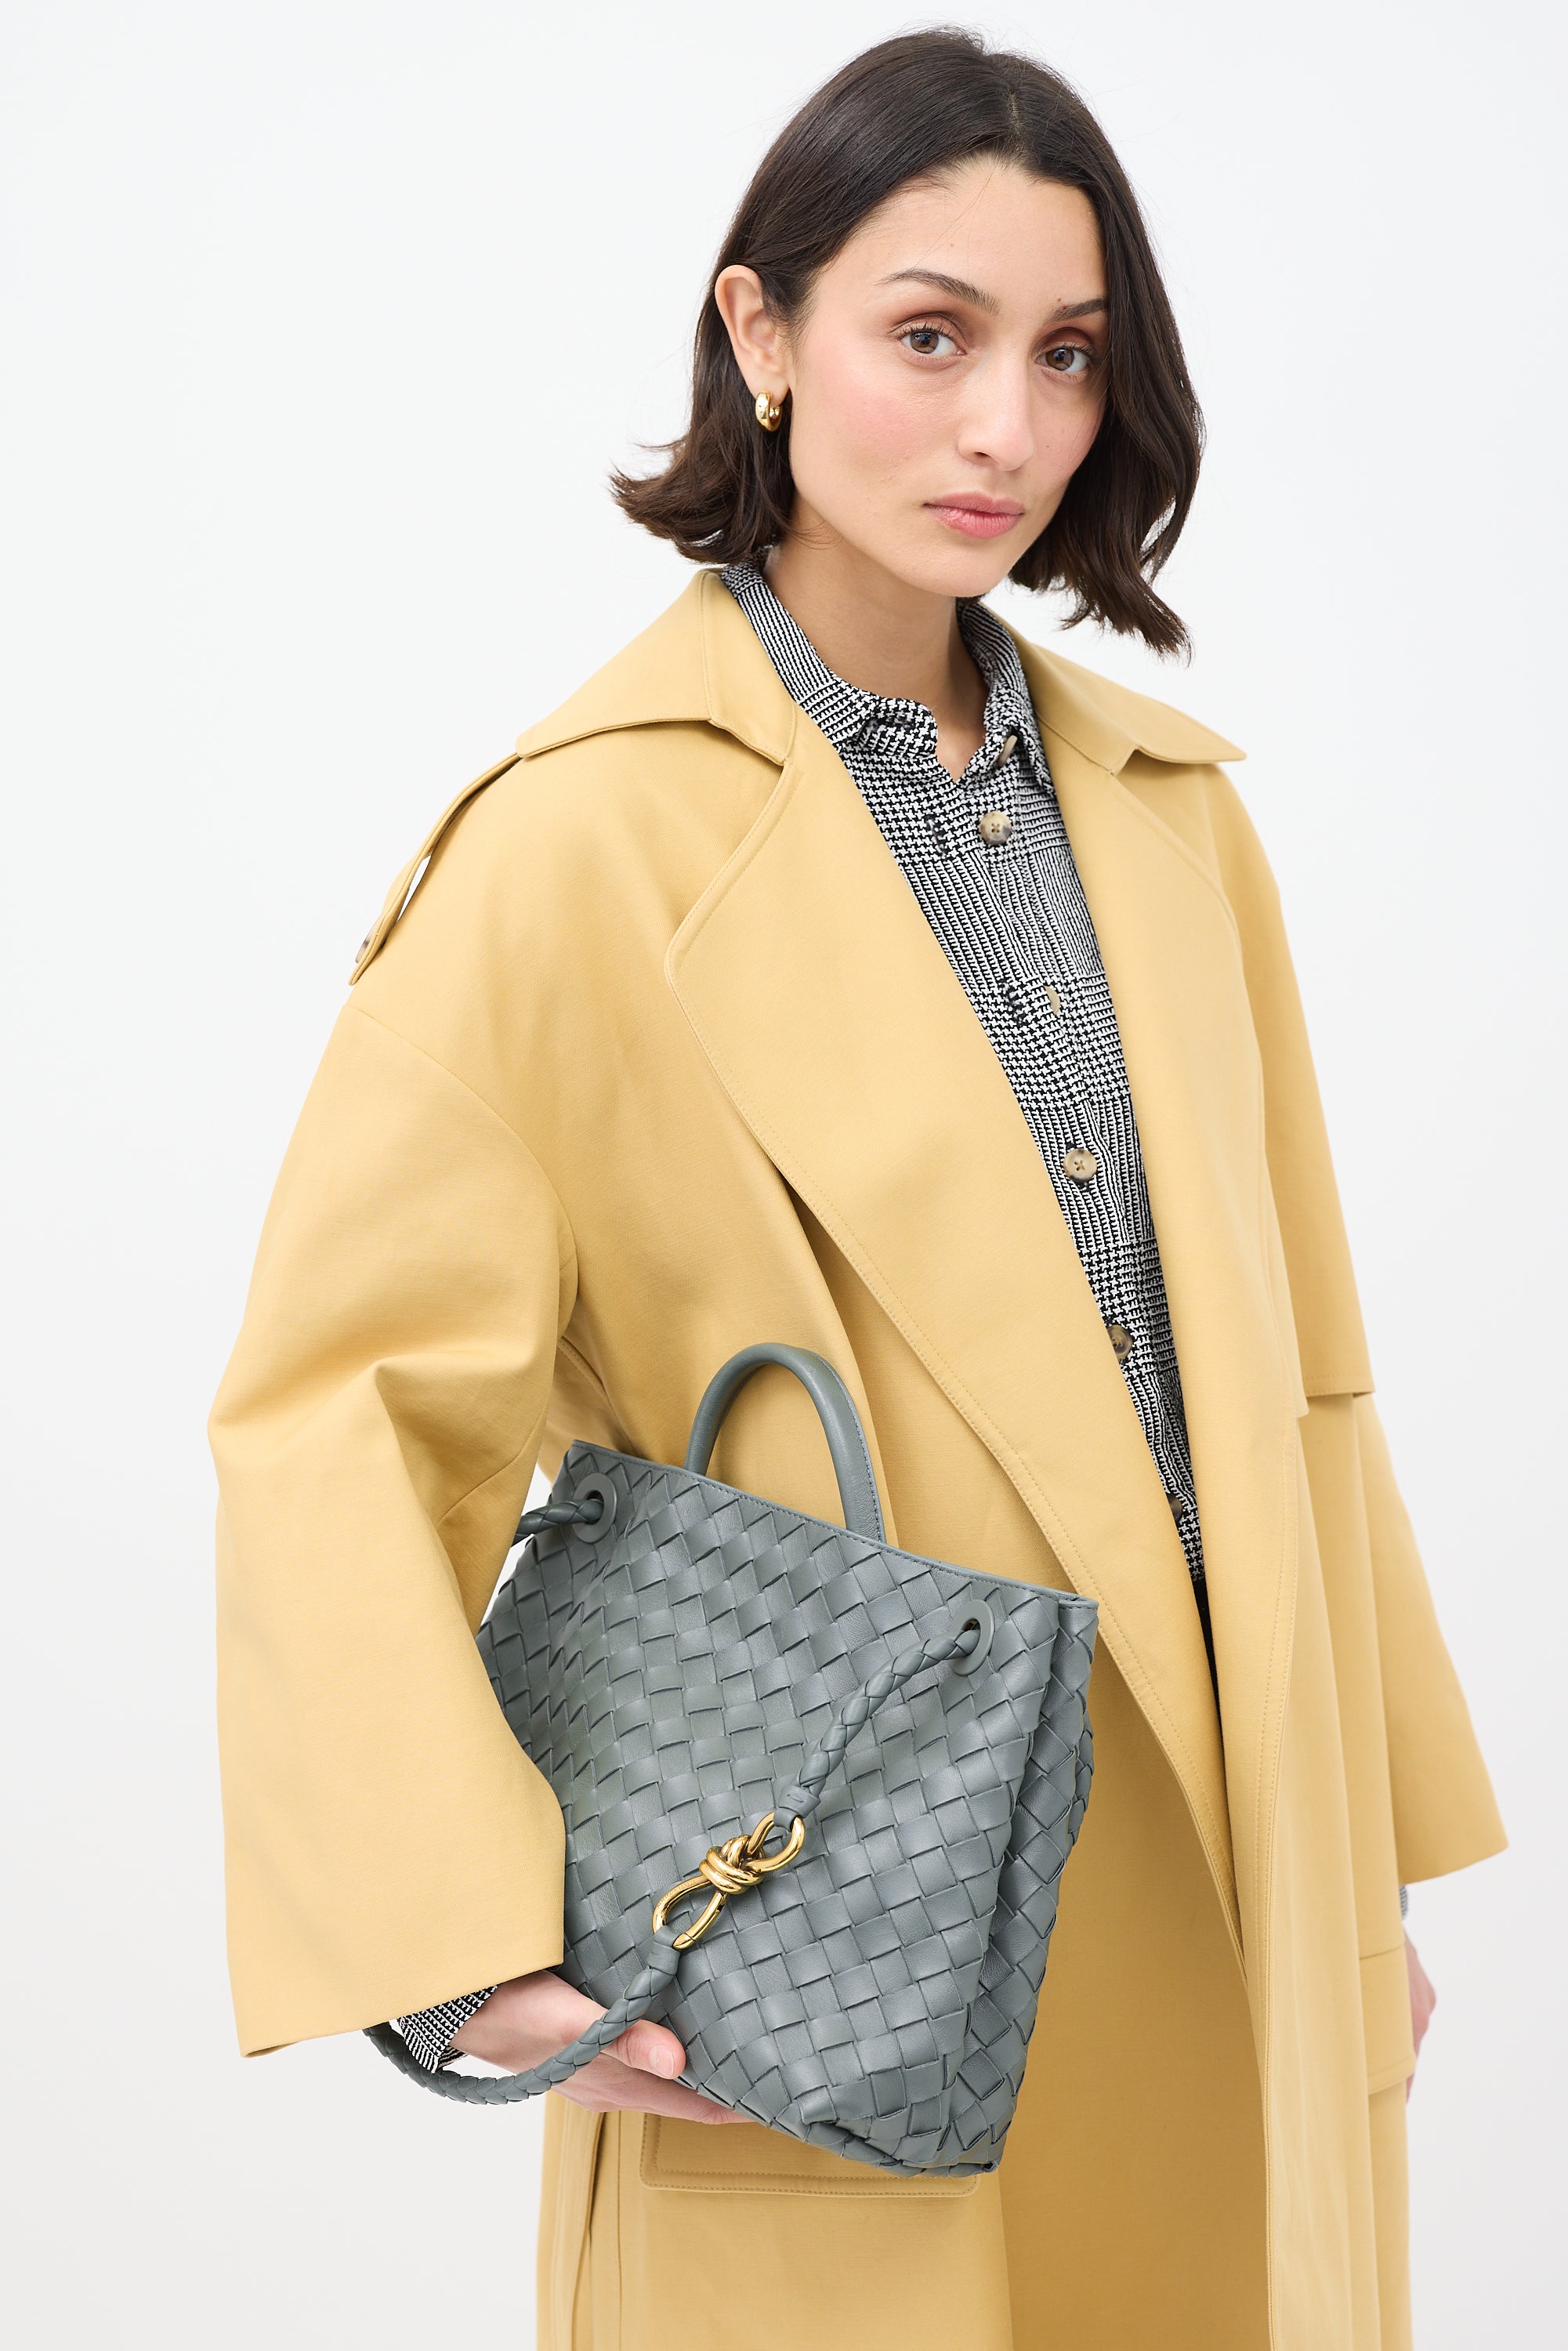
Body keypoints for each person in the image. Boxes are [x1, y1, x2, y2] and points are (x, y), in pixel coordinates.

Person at [210, 30, 1503, 2350]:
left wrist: (1363, 1861)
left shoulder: (1172, 816)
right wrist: (461, 1946)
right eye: (930, 335)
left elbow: (1306, 1377)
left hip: (1226, 1885)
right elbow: (343, 1412)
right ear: (763, 332)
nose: (1005, 426)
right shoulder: (578, 840)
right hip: (830, 1903)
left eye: (1067, 354)